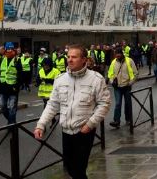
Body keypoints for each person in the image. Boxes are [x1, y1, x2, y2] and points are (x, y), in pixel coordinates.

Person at [34, 45, 110, 179]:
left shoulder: (96, 79)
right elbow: (52, 105)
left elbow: (104, 104)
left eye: (74, 57)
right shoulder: (60, 79)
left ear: (84, 60)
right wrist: (41, 124)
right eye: (68, 57)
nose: (69, 60)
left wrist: (90, 124)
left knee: (78, 170)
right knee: (69, 168)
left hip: (84, 131)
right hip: (66, 131)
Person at [107, 48, 138, 128]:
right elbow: (110, 74)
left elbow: (135, 73)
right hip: (117, 87)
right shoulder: (113, 62)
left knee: (128, 104)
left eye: (118, 54)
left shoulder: (129, 61)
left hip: (127, 86)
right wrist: (111, 81)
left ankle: (128, 119)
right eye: (116, 54)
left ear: (122, 54)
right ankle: (116, 121)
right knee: (118, 104)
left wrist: (130, 83)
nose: (117, 56)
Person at [0, 42, 22, 124]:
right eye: (8, 49)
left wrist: (16, 87)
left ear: (13, 49)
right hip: (3, 88)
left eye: (11, 49)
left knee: (12, 109)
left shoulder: (17, 60)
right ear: (5, 50)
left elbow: (20, 75)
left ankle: (12, 125)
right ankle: (11, 122)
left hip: (13, 89)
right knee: (2, 106)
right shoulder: (2, 59)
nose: (9, 51)